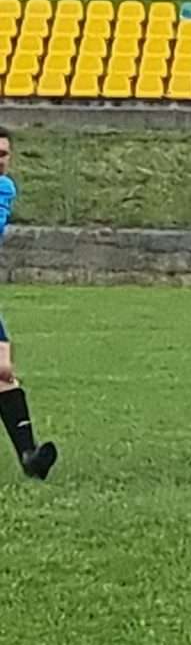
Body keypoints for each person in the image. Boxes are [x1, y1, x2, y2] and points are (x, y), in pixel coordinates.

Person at [0, 129, 59, 480]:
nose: (0, 161)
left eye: (3, 154)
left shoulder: (4, 189)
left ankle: (30, 456)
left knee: (3, 370)